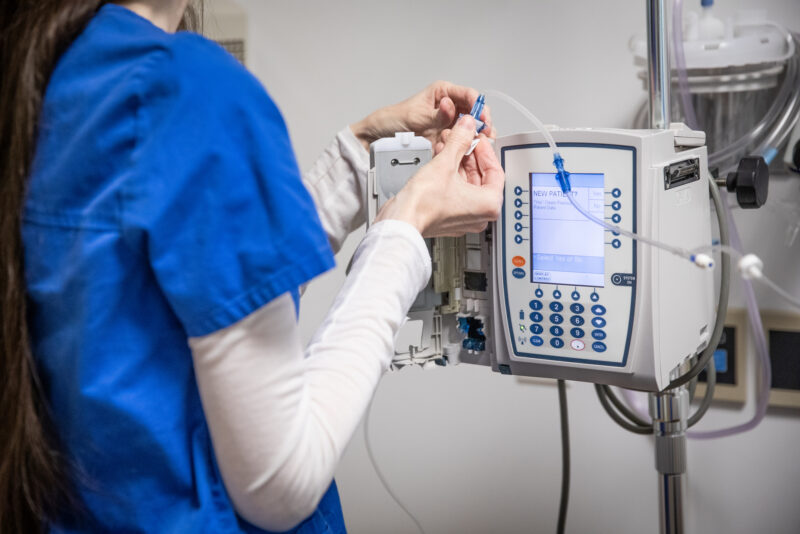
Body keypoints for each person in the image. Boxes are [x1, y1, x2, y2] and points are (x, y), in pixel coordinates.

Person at [0, 1, 504, 532]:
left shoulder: (50, 78)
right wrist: (407, 226)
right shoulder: (190, 88)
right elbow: (280, 484)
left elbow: (200, 276)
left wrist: (358, 157)